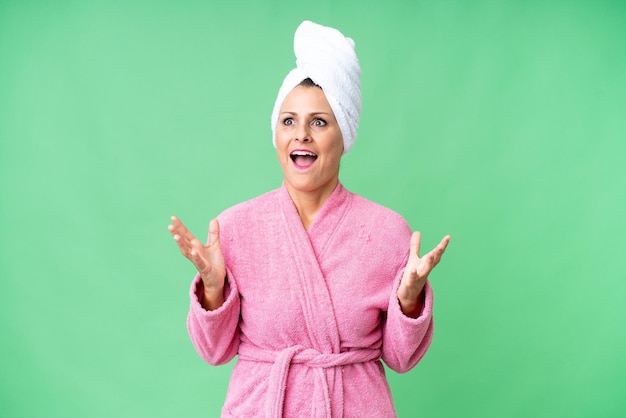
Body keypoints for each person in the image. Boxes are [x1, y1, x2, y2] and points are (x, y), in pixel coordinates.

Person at [168, 20, 450, 418]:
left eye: (319, 122)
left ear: (344, 134)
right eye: (289, 121)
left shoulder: (387, 232)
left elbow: (402, 360)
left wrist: (409, 300)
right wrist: (213, 289)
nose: (301, 134)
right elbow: (214, 353)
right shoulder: (234, 229)